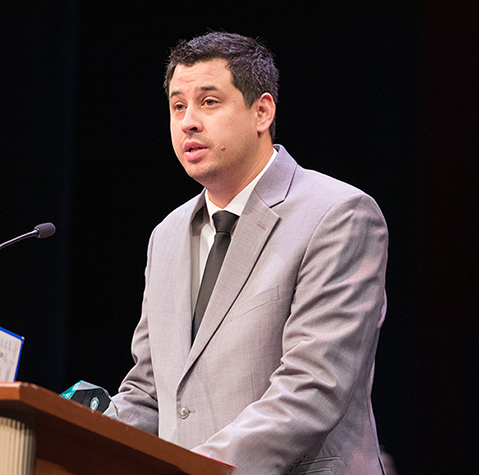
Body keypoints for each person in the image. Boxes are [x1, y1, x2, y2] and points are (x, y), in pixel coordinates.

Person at [111, 32, 388, 474]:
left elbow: (313, 386)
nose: (188, 122)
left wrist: (196, 468)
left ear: (262, 111)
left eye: (209, 102)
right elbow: (149, 392)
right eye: (178, 106)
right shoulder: (165, 236)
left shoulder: (338, 214)